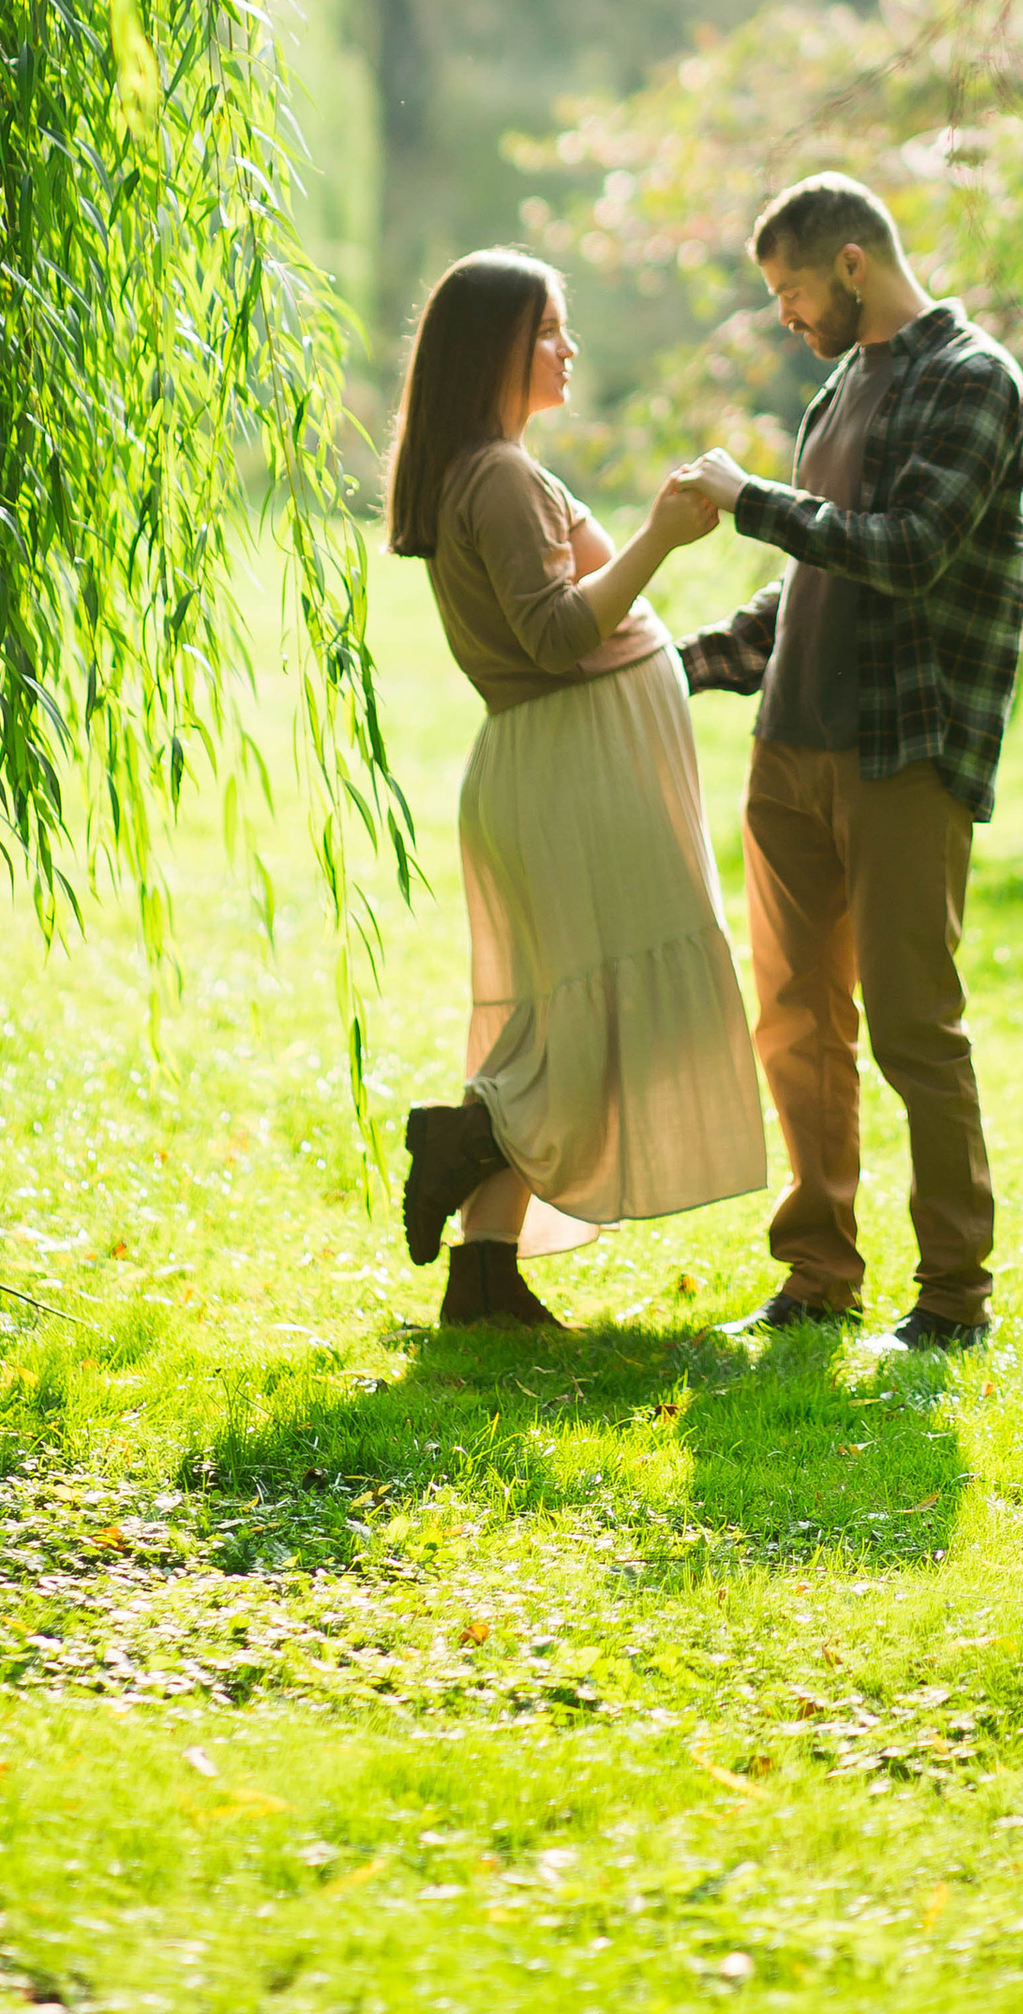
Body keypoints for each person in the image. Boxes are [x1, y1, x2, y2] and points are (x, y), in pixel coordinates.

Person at [672, 174, 1023, 1354]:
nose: (785, 317)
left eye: (790, 292)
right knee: (793, 1021)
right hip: (791, 751)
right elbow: (820, 571)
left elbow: (911, 551)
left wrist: (748, 498)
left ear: (853, 266)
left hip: (899, 756)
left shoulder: (973, 381)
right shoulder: (844, 382)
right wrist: (684, 663)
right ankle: (816, 1276)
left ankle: (952, 1300)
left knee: (914, 1028)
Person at [390, 250, 767, 1326]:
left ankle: (483, 1274)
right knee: (606, 1025)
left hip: (564, 765)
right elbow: (557, 637)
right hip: (571, 768)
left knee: (564, 1025)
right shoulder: (498, 474)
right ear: (494, 349)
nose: (568, 347)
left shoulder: (490, 466)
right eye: (547, 329)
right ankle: (471, 1138)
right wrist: (661, 533)